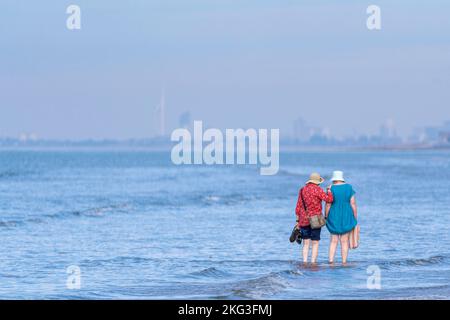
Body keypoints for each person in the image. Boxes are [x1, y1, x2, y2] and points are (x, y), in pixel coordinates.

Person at [295, 172, 333, 264]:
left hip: (303, 219)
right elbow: (329, 199)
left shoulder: (302, 190)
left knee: (306, 243)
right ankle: (313, 263)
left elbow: (298, 206)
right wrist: (329, 191)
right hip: (315, 219)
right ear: (317, 182)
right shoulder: (318, 189)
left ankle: (304, 262)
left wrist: (297, 221)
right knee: (315, 242)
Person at [325, 171, 358, 264]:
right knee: (344, 241)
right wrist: (355, 216)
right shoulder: (349, 187)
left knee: (333, 241)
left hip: (334, 215)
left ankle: (331, 261)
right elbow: (353, 203)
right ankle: (344, 262)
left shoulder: (330, 189)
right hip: (347, 215)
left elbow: (328, 204)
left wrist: (326, 216)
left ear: (334, 179)